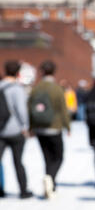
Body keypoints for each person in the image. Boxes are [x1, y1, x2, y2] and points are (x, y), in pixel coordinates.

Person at [29, 60, 71, 199]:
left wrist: (31, 127)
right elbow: (63, 109)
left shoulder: (36, 88)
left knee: (47, 158)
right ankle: (50, 178)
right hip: (54, 127)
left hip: (39, 128)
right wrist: (67, 126)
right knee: (58, 157)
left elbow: (29, 108)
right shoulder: (57, 88)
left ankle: (51, 183)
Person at [0, 61, 32, 199]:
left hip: (0, 130)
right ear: (18, 73)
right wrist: (25, 127)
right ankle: (23, 190)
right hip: (15, 131)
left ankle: (0, 189)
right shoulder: (17, 89)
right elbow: (21, 110)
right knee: (18, 161)